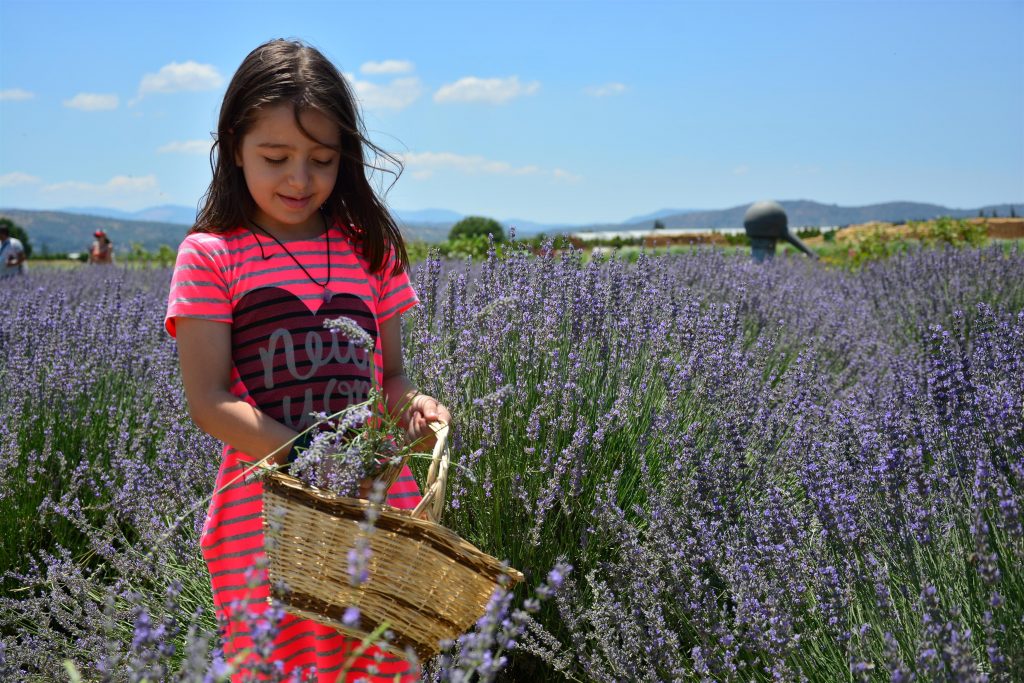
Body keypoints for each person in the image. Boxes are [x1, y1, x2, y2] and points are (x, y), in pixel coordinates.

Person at [165, 39, 451, 681]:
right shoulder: (212, 256)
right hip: (265, 510)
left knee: (383, 664)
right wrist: (310, 462)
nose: (299, 179)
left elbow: (392, 376)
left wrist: (415, 405)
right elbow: (210, 400)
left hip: (375, 505)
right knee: (277, 665)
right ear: (234, 145)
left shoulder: (368, 249)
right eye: (276, 157)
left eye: (321, 160)